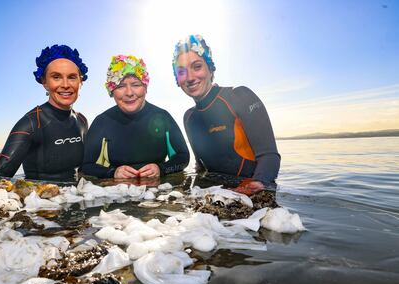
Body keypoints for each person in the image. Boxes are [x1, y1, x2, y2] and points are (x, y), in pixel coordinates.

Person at [172, 35, 280, 194]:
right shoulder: (189, 118)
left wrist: (257, 185)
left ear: (210, 68)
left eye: (197, 66)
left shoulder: (240, 97)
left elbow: (270, 157)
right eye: (182, 72)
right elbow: (201, 167)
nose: (189, 77)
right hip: (211, 198)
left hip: (253, 196)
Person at [0, 44, 89, 182]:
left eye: (72, 77)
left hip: (76, 199)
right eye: (56, 77)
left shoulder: (82, 121)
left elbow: (86, 170)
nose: (65, 84)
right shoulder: (32, 123)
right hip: (40, 201)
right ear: (44, 82)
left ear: (81, 82)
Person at [82, 55, 189, 179]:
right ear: (112, 91)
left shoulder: (162, 117)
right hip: (116, 193)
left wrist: (161, 169)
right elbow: (87, 165)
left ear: (145, 87)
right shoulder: (102, 121)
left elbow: (183, 157)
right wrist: (112, 172)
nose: (129, 93)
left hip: (157, 194)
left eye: (136, 85)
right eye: (120, 86)